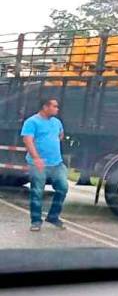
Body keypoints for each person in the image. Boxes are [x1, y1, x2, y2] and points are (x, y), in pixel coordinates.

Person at [20, 98, 68, 232]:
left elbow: (61, 135)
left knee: (63, 187)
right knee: (37, 192)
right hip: (38, 164)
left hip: (56, 163)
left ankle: (53, 216)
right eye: (55, 106)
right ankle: (36, 221)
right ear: (45, 107)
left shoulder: (57, 122)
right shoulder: (32, 122)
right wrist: (36, 158)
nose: (57, 109)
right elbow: (28, 141)